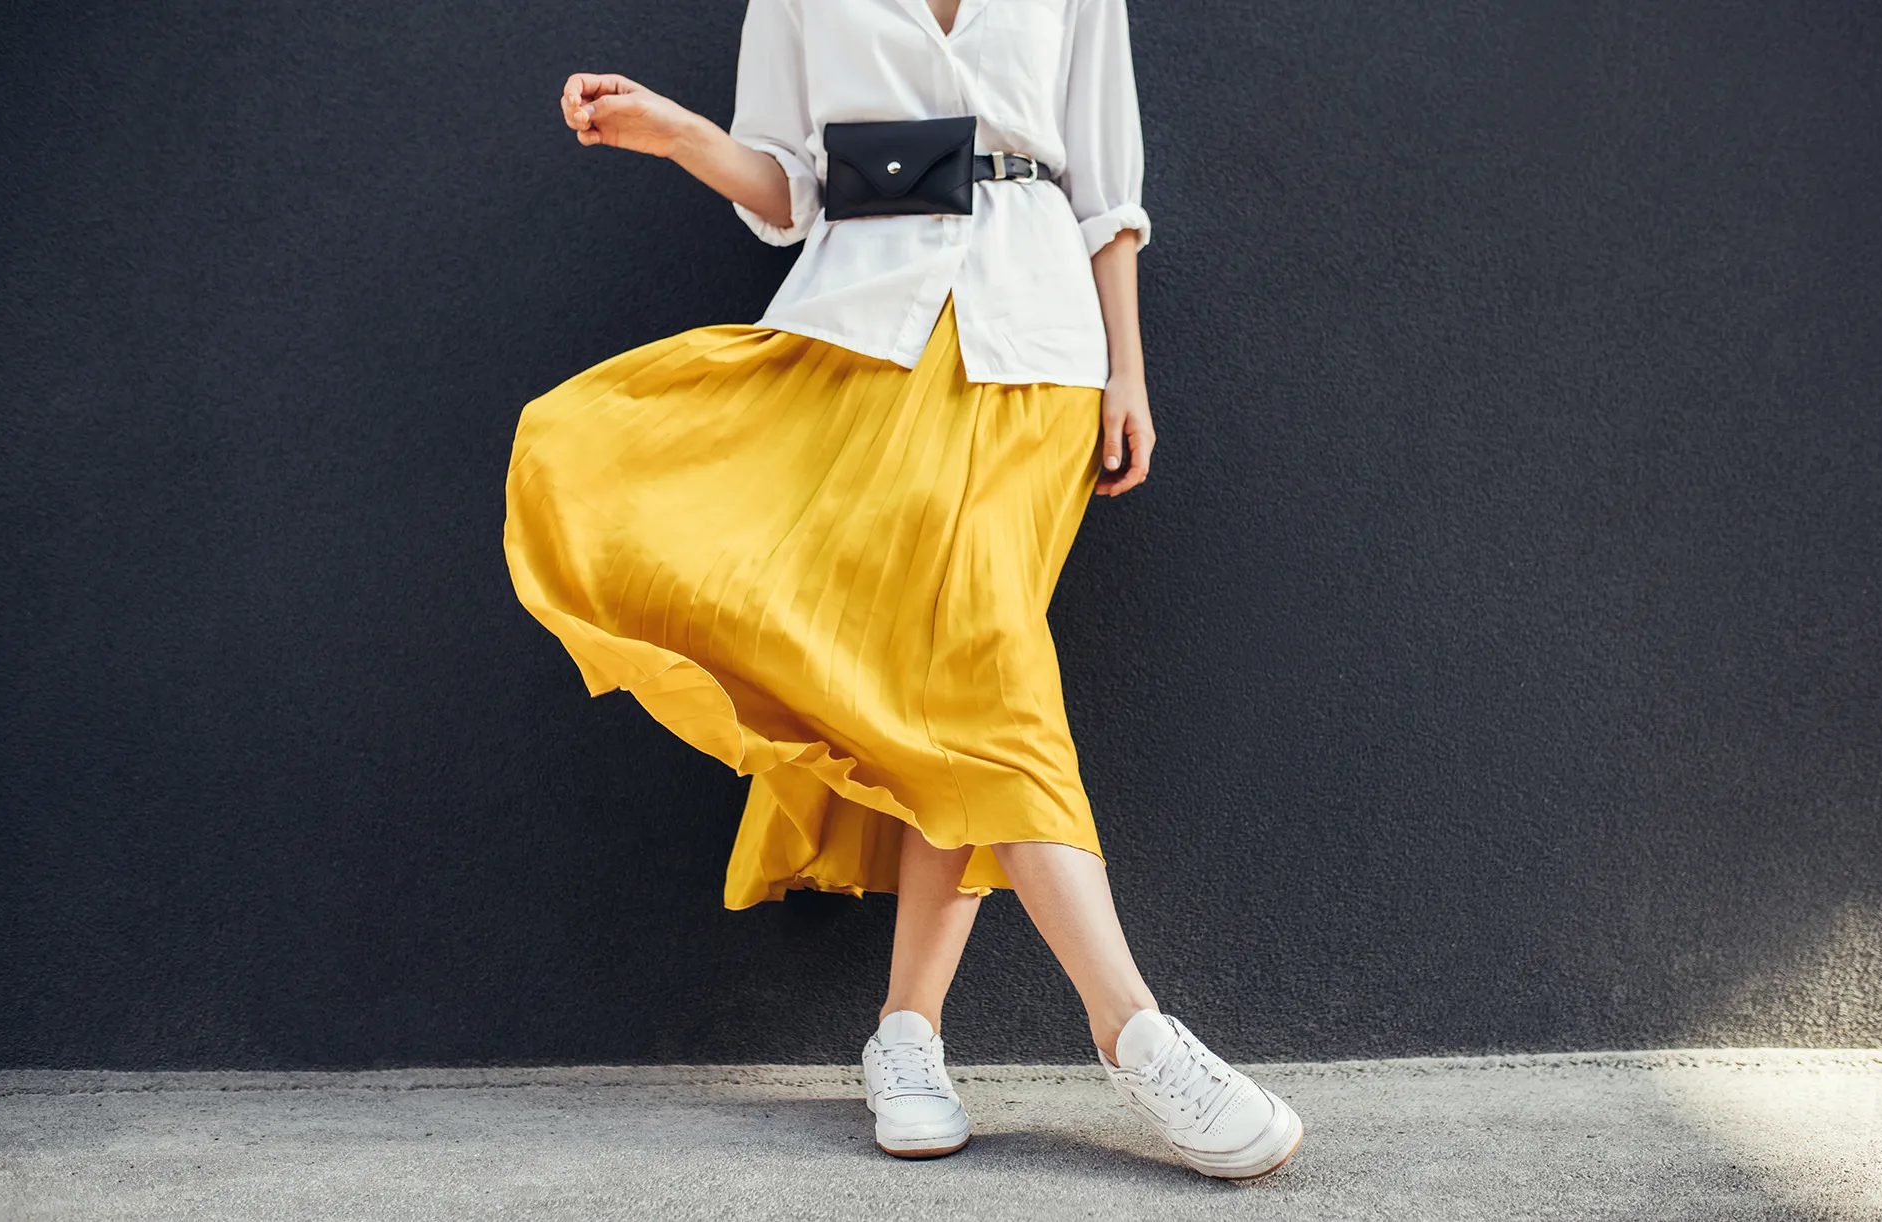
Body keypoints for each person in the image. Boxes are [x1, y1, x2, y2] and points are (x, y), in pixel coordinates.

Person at [503, 0, 1303, 1180]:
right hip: (857, 340)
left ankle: (1036, 1032)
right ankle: (1019, 1030)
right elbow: (786, 191)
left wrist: (1126, 367)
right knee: (957, 682)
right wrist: (679, 135)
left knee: (971, 662)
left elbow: (1103, 180)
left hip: (1034, 347)